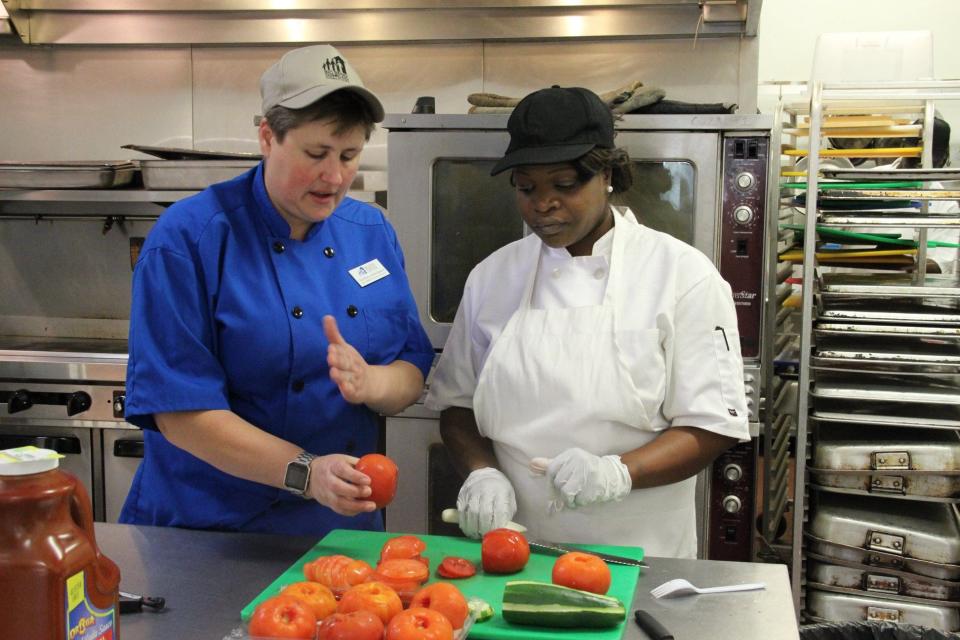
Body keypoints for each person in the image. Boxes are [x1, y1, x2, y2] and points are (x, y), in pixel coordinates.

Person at [120, 44, 434, 536]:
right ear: (268, 137)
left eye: (349, 155)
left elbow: (411, 368)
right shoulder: (189, 239)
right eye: (316, 154)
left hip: (335, 529)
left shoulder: (370, 232)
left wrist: (373, 383)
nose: (335, 176)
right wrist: (308, 473)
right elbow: (181, 413)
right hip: (208, 527)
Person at [425, 86, 750, 558]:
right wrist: (481, 472)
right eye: (526, 187)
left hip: (641, 553)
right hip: (517, 547)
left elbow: (711, 426)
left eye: (565, 184)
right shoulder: (493, 277)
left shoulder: (681, 275)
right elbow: (457, 408)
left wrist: (617, 472)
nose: (544, 204)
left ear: (609, 175)